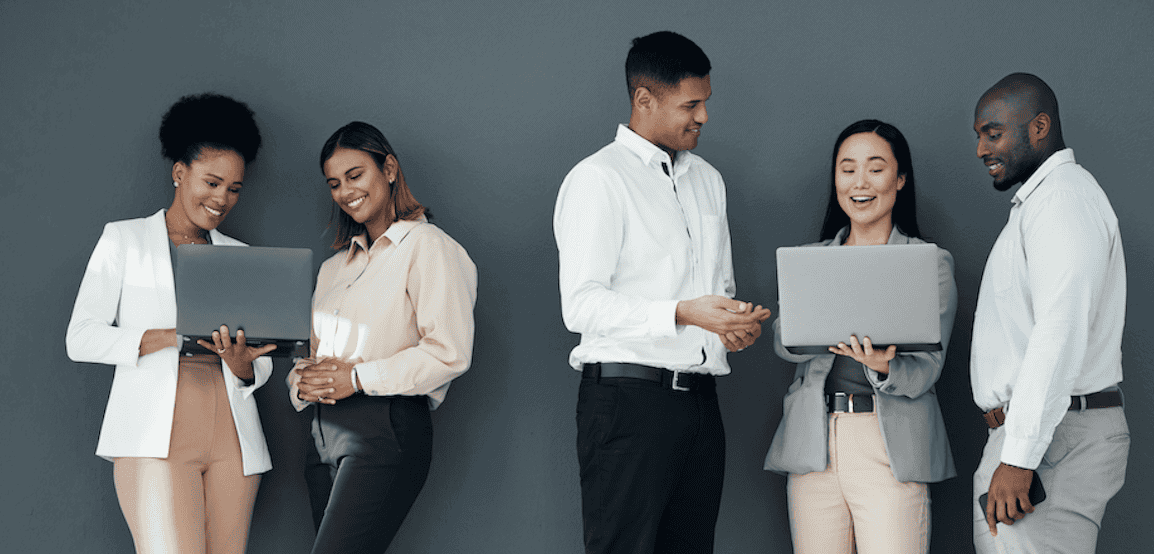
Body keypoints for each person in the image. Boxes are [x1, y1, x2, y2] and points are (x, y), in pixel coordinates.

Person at [553, 31, 771, 554]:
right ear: (644, 99)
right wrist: (684, 313)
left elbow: (717, 289)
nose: (703, 116)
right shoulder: (596, 180)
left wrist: (729, 327)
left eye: (706, 103)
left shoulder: (709, 181)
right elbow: (580, 304)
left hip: (699, 405)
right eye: (690, 104)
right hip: (625, 405)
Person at [65, 93, 276, 553]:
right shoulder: (125, 239)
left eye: (234, 189)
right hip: (151, 438)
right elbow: (80, 337)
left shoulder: (240, 257)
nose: (221, 198)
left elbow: (258, 364)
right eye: (212, 181)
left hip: (233, 441)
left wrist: (243, 364)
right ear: (180, 172)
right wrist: (169, 338)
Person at [762, 119, 958, 554]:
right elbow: (783, 341)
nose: (860, 182)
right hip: (815, 442)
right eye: (847, 169)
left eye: (876, 168)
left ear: (900, 179)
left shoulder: (928, 262)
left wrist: (883, 365)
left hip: (888, 445)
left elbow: (929, 369)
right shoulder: (812, 261)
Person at [287, 121, 477, 553]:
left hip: (385, 425)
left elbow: (448, 353)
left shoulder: (428, 246)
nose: (344, 191)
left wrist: (355, 379)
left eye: (356, 175)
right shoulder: (333, 269)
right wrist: (302, 381)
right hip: (322, 434)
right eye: (334, 183)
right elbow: (313, 356)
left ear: (388, 169)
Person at [970, 73, 1129, 553]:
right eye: (979, 136)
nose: (981, 149)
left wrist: (1019, 458)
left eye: (993, 133)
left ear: (1039, 127)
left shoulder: (1062, 200)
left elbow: (1058, 332)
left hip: (1050, 441)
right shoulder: (1044, 201)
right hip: (1040, 436)